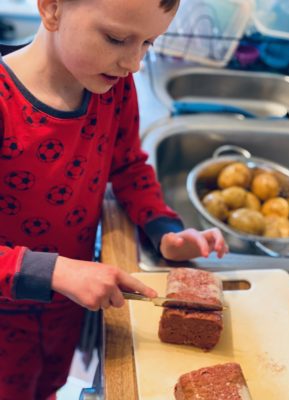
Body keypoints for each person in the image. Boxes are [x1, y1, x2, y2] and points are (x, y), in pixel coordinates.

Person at [0, 0, 228, 398]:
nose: (134, 63)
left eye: (148, 44)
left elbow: (128, 167)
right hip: (7, 313)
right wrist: (55, 271)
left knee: (46, 385)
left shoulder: (112, 88)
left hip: (65, 304)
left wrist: (164, 229)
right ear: (52, 8)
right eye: (117, 39)